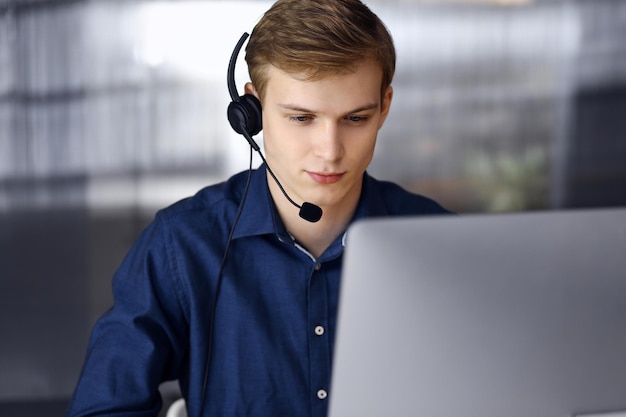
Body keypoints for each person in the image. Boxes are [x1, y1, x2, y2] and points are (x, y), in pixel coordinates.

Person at [67, 0, 450, 416]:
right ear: (254, 109)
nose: (330, 151)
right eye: (302, 118)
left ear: (385, 107)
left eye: (355, 118)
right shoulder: (181, 244)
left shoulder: (441, 243)